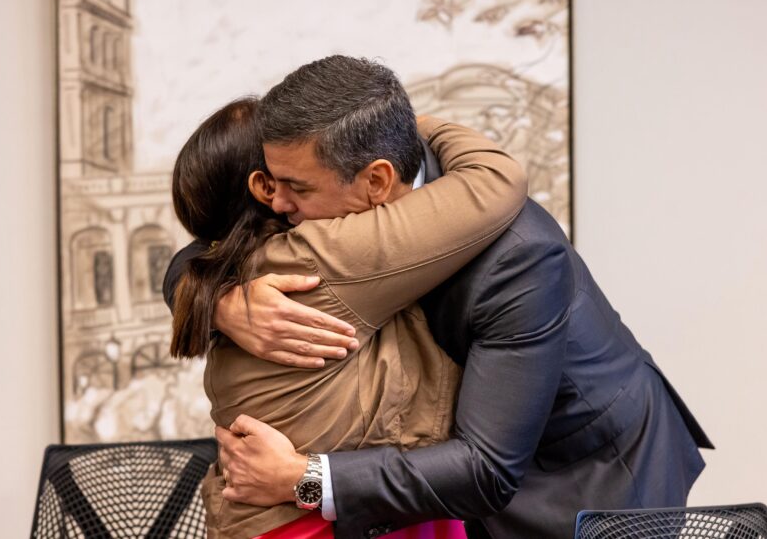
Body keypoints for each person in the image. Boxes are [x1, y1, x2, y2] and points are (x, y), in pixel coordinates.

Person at [166, 56, 714, 539]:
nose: (279, 206)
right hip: (446, 476)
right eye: (267, 187)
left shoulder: (519, 257)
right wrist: (219, 300)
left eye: (296, 190)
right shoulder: (343, 183)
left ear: (377, 182)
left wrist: (304, 478)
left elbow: (487, 469)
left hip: (578, 470)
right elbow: (216, 239)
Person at [168, 93, 528, 538]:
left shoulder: (225, 272)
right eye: (292, 174)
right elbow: (496, 179)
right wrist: (407, 126)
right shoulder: (327, 255)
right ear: (265, 187)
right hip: (311, 523)